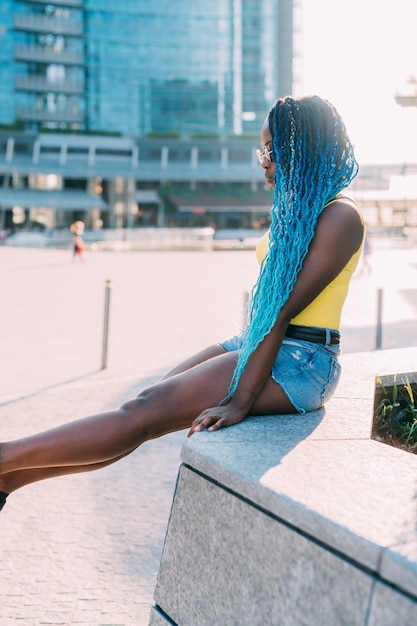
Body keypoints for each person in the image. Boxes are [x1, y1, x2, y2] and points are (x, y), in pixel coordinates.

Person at [0, 96, 364, 513]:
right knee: (144, 408)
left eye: (270, 151)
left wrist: (240, 400)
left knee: (144, 412)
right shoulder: (299, 211)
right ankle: (10, 479)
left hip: (302, 360)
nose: (262, 162)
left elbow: (281, 310)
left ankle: (3, 459)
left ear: (301, 151)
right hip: (259, 341)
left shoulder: (340, 216)